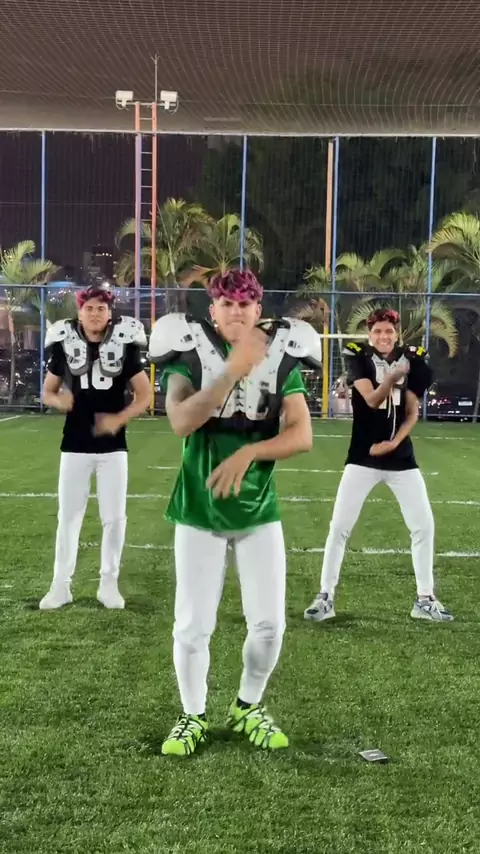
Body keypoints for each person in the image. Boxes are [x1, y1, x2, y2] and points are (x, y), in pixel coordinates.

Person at [148, 269, 321, 756]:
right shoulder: (188, 353)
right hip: (198, 508)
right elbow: (181, 421)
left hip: (258, 508)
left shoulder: (280, 356)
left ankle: (247, 705)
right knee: (193, 625)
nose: (237, 312)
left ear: (258, 310)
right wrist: (231, 372)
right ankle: (193, 715)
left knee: (269, 624)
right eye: (227, 303)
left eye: (246, 304)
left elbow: (302, 435)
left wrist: (250, 453)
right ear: (213, 310)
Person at [304, 307, 454, 624]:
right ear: (369, 334)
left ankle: (425, 599)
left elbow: (411, 412)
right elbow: (372, 399)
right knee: (339, 527)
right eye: (377, 331)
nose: (383, 336)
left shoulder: (412, 358)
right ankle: (325, 596)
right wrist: (392, 378)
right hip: (363, 456)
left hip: (401, 459)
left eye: (388, 331)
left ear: (396, 333)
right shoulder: (357, 356)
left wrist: (395, 442)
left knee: (423, 526)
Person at [39, 285, 151, 611]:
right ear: (80, 312)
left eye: (101, 308)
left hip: (113, 447)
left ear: (110, 313)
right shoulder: (65, 344)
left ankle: (108, 584)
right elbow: (47, 392)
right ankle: (61, 586)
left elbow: (145, 395)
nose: (95, 313)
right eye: (89, 308)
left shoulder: (124, 345)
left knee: (114, 518)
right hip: (74, 444)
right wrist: (59, 400)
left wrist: (120, 419)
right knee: (69, 518)